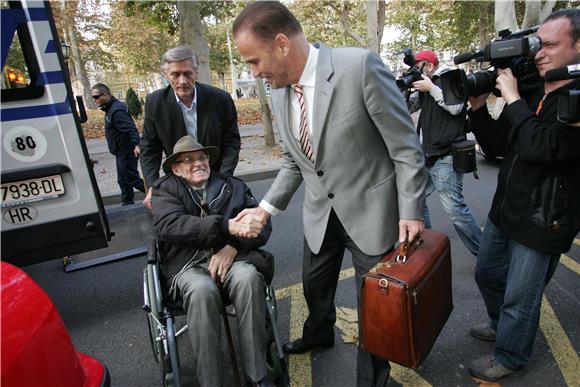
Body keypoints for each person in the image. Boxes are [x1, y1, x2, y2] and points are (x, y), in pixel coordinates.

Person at [232, 3, 426, 386]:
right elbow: (294, 162)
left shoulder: (360, 67)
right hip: (321, 216)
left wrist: (412, 211)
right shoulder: (278, 93)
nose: (254, 72)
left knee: (375, 314)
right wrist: (265, 210)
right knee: (314, 287)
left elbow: (405, 148)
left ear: (282, 43)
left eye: (255, 60)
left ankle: (370, 382)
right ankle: (319, 332)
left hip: (372, 213)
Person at [466, 8, 580, 382]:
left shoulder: (575, 98)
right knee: (487, 274)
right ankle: (503, 327)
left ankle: (511, 355)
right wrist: (479, 106)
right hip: (506, 208)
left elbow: (544, 147)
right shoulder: (532, 89)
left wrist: (513, 99)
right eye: (537, 44)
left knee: (521, 294)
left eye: (550, 44)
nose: (539, 52)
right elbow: (498, 145)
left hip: (544, 218)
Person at [151, 135, 274, 387]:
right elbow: (169, 226)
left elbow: (261, 226)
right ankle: (210, 381)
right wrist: (225, 226)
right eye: (189, 160)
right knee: (201, 290)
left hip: (233, 258)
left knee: (249, 278)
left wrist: (231, 247)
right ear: (176, 168)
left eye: (202, 157)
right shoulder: (165, 190)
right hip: (188, 264)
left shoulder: (232, 186)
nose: (198, 163)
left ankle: (257, 375)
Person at [140, 46, 241, 209]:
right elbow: (149, 150)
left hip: (216, 177)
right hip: (179, 182)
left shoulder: (220, 99)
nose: (182, 81)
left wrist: (223, 179)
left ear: (196, 72)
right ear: (166, 75)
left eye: (187, 73)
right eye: (175, 74)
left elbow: (231, 143)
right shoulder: (155, 103)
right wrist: (154, 187)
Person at [407, 50, 482, 256]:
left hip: (446, 155)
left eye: (419, 66)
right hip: (427, 154)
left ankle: (484, 253)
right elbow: (408, 108)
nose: (416, 71)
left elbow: (456, 107)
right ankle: (428, 245)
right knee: (416, 200)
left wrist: (430, 88)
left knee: (455, 209)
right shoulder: (425, 85)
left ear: (430, 66)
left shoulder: (451, 78)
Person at [91, 83, 145, 206]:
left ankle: (159, 196)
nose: (95, 100)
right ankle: (127, 203)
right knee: (123, 180)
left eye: (96, 97)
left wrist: (137, 145)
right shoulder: (111, 108)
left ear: (105, 94)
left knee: (132, 179)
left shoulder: (117, 110)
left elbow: (131, 128)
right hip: (120, 152)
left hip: (126, 152)